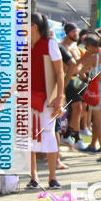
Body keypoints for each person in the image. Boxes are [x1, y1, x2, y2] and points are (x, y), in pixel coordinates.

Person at [27, 13, 64, 190]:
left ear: (34, 27)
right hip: (26, 97)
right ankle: (33, 176)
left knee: (48, 133)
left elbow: (59, 72)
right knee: (28, 136)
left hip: (46, 97)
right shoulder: (23, 46)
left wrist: (59, 96)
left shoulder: (50, 44)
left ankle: (52, 176)